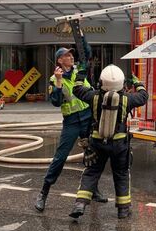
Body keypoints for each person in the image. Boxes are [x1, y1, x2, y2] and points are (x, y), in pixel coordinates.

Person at [34, 41, 107, 212]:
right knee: (60, 157)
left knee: (93, 154)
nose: (71, 56)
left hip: (88, 118)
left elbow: (86, 54)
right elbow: (56, 102)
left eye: (71, 54)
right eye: (67, 55)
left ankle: (93, 190)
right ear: (59, 60)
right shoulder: (54, 79)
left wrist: (80, 34)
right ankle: (43, 193)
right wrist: (59, 82)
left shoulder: (79, 71)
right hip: (72, 121)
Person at [69, 65, 148, 220]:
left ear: (100, 82)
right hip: (119, 145)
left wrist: (81, 73)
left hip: (97, 143)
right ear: (122, 83)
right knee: (121, 174)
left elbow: (77, 89)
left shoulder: (93, 96)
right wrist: (137, 82)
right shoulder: (127, 99)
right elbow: (144, 96)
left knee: (91, 173)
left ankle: (80, 204)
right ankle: (123, 210)